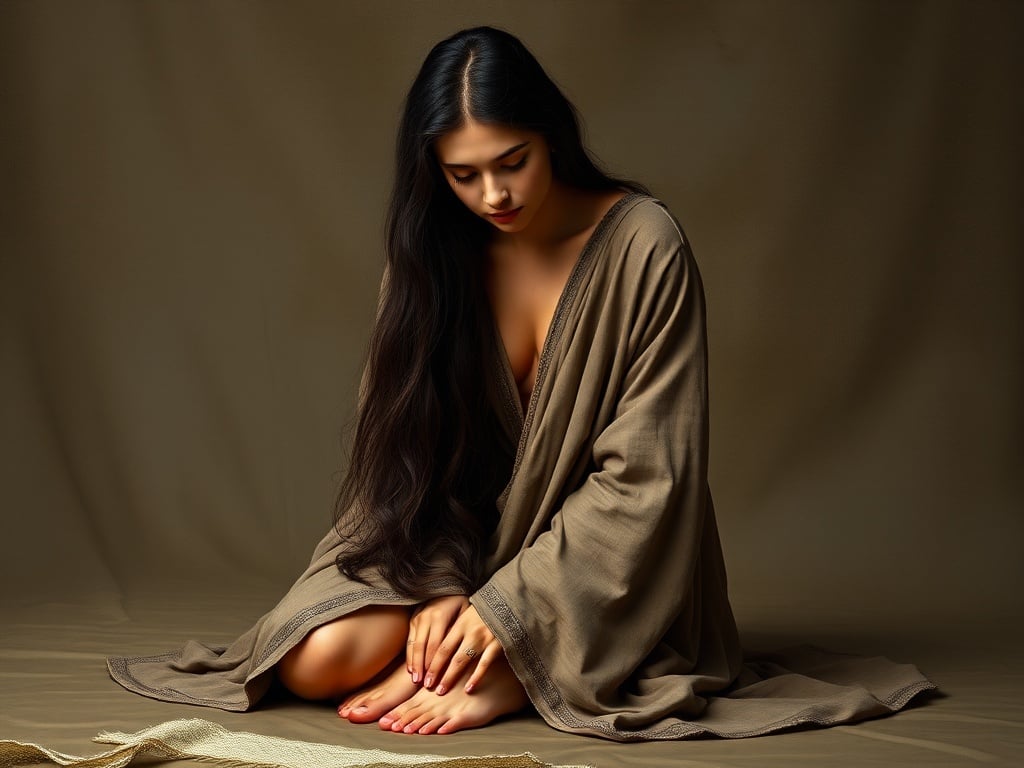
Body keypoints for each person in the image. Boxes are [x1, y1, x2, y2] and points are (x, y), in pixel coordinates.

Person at [108, 26, 933, 740]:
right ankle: (455, 652)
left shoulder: (647, 246)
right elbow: (405, 447)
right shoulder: (436, 252)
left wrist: (504, 609)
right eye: (463, 175)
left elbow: (648, 479)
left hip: (607, 568)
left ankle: (506, 672)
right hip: (450, 539)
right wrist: (443, 586)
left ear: (551, 135)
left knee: (500, 647)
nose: (493, 195)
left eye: (513, 163)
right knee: (322, 660)